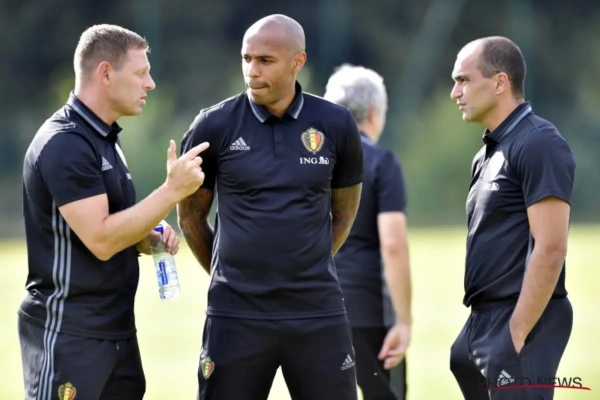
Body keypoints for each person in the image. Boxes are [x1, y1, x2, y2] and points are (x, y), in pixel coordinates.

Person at [177, 14, 364, 400]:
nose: (252, 71)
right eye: (246, 59)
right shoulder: (212, 126)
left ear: (298, 62)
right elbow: (190, 217)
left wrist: (308, 263)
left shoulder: (335, 124)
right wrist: (229, 277)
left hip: (317, 310)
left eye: (265, 60)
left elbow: (344, 212)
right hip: (236, 315)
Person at [19, 24, 209, 400]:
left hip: (116, 331)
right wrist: (172, 191)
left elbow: (108, 227)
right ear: (106, 73)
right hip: (69, 334)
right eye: (140, 73)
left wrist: (145, 238)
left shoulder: (104, 137)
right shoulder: (65, 142)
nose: (150, 83)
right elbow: (102, 239)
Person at [448, 36, 576, 400]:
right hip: (484, 319)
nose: (455, 92)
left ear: (500, 82)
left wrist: (516, 333)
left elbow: (551, 247)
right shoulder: (487, 153)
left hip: (523, 319)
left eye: (464, 80)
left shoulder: (539, 142)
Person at [324, 64, 412, 400]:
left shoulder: (310, 163)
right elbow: (393, 245)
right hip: (368, 311)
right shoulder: (381, 163)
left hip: (312, 308)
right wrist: (403, 321)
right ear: (374, 113)